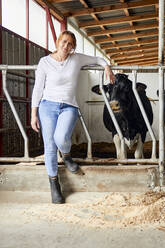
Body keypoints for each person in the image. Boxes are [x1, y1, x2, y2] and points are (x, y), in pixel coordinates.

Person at [31, 30, 115, 204]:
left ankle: (67, 155)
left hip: (69, 106)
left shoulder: (76, 59)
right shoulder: (44, 62)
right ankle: (55, 185)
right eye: (64, 42)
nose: (66, 46)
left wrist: (107, 66)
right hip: (47, 106)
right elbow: (38, 89)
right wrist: (34, 114)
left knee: (61, 138)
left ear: (73, 47)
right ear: (57, 41)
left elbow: (97, 59)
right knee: (50, 146)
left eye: (70, 44)